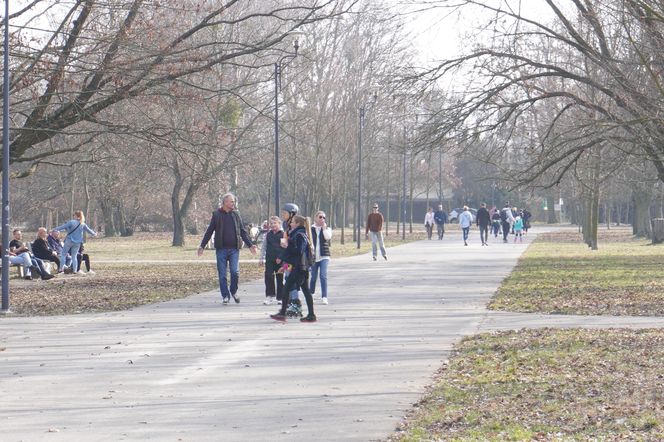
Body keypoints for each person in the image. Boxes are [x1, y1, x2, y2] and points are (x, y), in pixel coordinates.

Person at [198, 193, 257, 304]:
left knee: (235, 272)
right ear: (225, 202)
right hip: (221, 250)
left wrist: (250, 245)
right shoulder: (216, 215)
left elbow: (242, 231)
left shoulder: (236, 214)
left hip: (234, 249)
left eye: (233, 201)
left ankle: (233, 291)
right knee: (222, 274)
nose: (233, 203)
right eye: (231, 201)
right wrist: (202, 246)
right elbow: (209, 231)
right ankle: (225, 296)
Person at [270, 215, 316, 322]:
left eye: (293, 222)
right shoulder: (298, 234)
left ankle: (282, 313)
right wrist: (285, 266)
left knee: (286, 288)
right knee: (306, 291)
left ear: (298, 224)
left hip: (298, 268)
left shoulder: (299, 235)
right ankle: (311, 315)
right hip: (301, 268)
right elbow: (295, 254)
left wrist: (287, 246)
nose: (290, 224)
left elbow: (298, 252)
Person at [53, 210, 97, 275]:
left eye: (74, 215)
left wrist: (54, 229)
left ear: (76, 215)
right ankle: (75, 270)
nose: (73, 216)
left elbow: (63, 227)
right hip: (78, 242)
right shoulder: (83, 224)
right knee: (74, 256)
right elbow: (89, 231)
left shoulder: (71, 222)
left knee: (63, 254)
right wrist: (94, 234)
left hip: (69, 240)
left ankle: (61, 269)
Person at [259, 216, 284, 305]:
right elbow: (264, 247)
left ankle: (280, 297)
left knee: (279, 278)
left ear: (279, 224)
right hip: (269, 259)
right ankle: (269, 295)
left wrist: (280, 257)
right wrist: (261, 258)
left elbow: (284, 247)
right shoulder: (268, 235)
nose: (273, 225)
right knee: (268, 276)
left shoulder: (282, 234)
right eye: (271, 224)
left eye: (275, 223)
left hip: (279, 260)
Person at [310, 210, 332, 305]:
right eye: (320, 217)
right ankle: (311, 294)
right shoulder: (311, 229)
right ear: (315, 218)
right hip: (314, 257)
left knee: (323, 276)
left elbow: (327, 238)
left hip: (324, 256)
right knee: (313, 277)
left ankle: (324, 296)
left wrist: (324, 229)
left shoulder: (327, 229)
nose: (322, 219)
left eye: (324, 217)